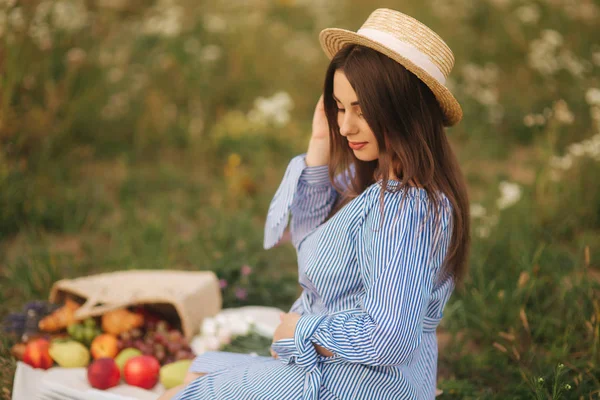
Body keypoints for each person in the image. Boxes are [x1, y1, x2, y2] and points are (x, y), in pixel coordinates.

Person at [160, 7, 470, 400]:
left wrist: (300, 332)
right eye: (339, 107)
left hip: (363, 383)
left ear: (402, 108)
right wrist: (319, 145)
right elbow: (313, 245)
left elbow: (389, 339)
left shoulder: (403, 209)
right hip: (343, 367)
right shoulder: (380, 182)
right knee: (200, 369)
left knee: (186, 392)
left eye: (361, 109)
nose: (345, 126)